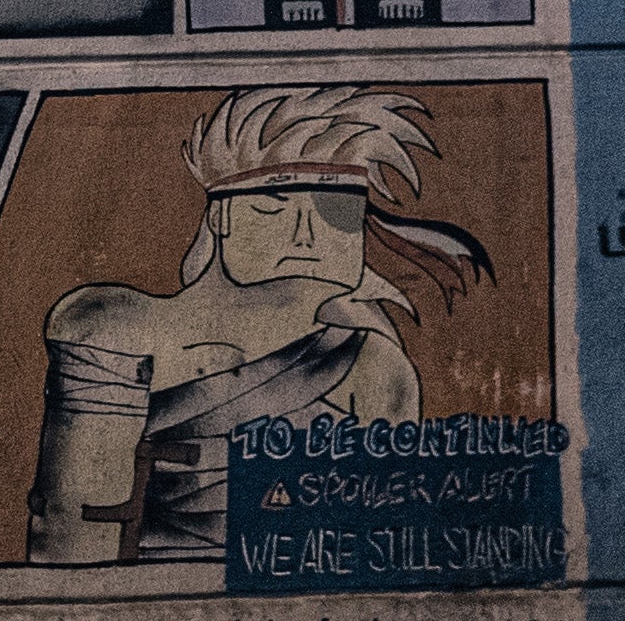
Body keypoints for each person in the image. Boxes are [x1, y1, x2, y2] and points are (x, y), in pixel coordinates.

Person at [26, 86, 492, 565]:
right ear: (221, 216)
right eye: (274, 204)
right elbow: (74, 539)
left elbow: (375, 549)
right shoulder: (112, 326)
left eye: (338, 210)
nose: (307, 235)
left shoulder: (375, 366)